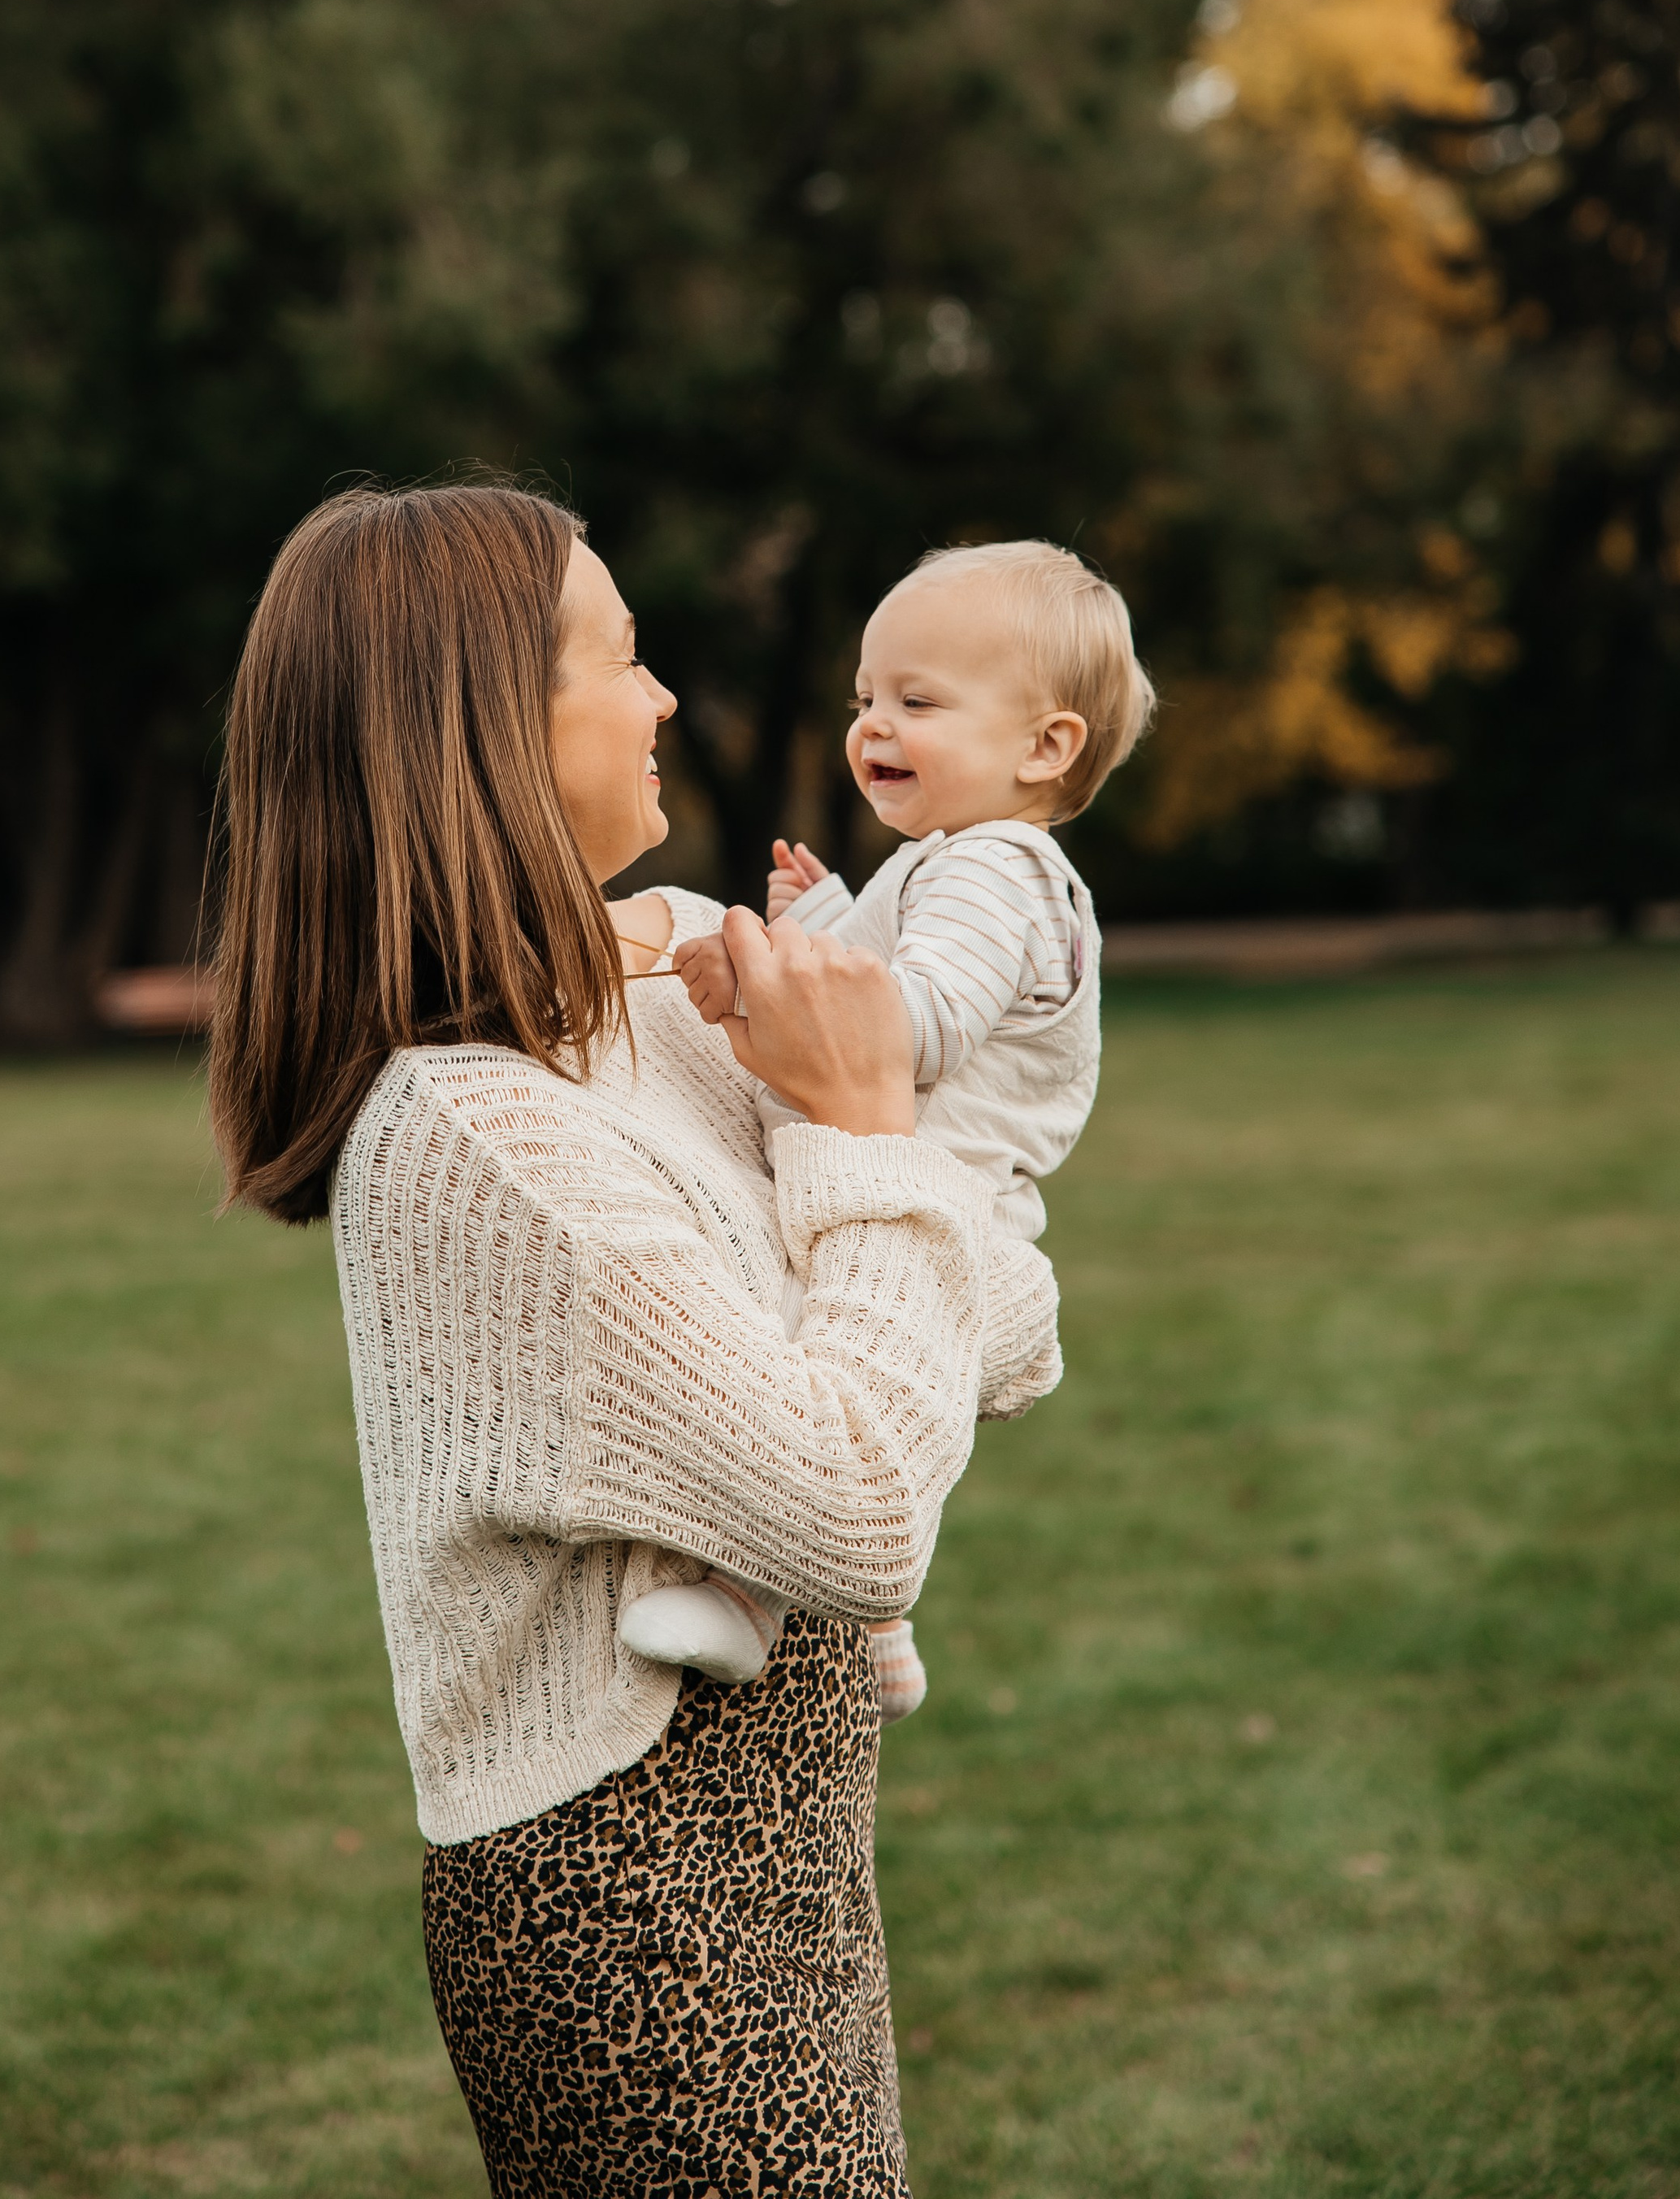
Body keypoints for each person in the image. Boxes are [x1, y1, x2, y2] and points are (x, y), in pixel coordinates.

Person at [206, 483, 1062, 2197]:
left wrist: (878, 1167)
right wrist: (866, 1139)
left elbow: (1012, 1321)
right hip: (637, 1925)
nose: (669, 699)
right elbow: (858, 1508)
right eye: (622, 655)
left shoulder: (673, 981)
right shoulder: (470, 1138)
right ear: (484, 734)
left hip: (793, 1869)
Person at [623, 541, 1153, 1723]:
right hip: (936, 1182)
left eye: (916, 701)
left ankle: (747, 1591)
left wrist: (775, 978)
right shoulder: (962, 865)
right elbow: (894, 972)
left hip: (940, 1196)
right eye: (865, 697)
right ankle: (881, 1625)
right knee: (841, 1390)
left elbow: (909, 1030)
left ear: (1045, 745)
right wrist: (820, 919)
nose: (873, 725)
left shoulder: (996, 873)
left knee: (800, 1368)